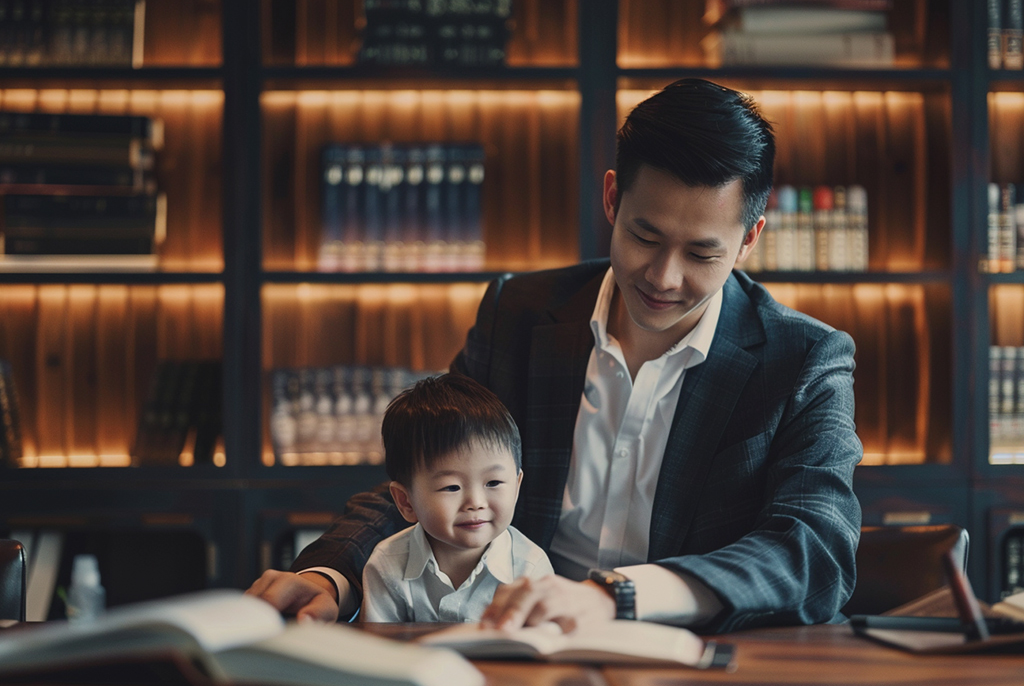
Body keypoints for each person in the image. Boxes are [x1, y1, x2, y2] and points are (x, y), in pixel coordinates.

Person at [246, 78, 863, 633]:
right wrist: (330, 577)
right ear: (613, 199)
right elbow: (429, 473)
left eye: (702, 254)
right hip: (518, 654)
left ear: (750, 238)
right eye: (644, 236)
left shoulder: (804, 360)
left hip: (697, 661)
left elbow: (813, 550)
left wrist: (614, 597)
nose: (663, 276)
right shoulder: (521, 313)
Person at [359, 373, 553, 622]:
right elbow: (377, 652)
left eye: (493, 483)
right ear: (406, 502)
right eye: (451, 487)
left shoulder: (530, 567)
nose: (475, 502)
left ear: (516, 487)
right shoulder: (387, 564)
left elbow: (543, 647)